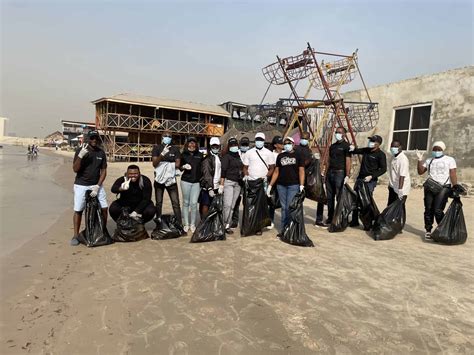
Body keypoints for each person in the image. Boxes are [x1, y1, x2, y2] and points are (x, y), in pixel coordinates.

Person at [71, 130, 108, 246]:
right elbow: (75, 169)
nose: (94, 140)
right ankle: (75, 235)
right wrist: (81, 156)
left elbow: (104, 171)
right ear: (88, 139)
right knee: (78, 209)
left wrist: (98, 185)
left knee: (104, 207)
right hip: (81, 184)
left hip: (96, 184)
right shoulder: (80, 151)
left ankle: (102, 231)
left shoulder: (101, 153)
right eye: (92, 138)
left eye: (96, 138)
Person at [417, 141, 458, 240]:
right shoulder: (429, 160)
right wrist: (419, 160)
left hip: (444, 187)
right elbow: (420, 172)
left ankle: (443, 229)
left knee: (438, 210)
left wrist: (455, 186)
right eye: (434, 149)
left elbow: (452, 173)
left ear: (443, 150)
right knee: (428, 209)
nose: (436, 151)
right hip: (430, 187)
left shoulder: (449, 160)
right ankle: (428, 230)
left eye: (439, 149)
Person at [268, 137, 305, 235]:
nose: (287, 145)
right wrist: (270, 185)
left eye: (289, 143)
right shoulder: (280, 156)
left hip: (293, 184)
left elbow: (301, 171)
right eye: (285, 143)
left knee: (289, 207)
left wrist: (301, 185)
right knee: (284, 208)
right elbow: (276, 171)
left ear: (293, 144)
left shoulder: (298, 155)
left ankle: (290, 228)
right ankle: (283, 229)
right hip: (281, 185)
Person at [316, 127, 352, 226]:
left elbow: (348, 161)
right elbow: (328, 160)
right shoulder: (333, 146)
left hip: (340, 173)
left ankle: (338, 218)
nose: (337, 134)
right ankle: (330, 217)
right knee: (330, 197)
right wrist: (325, 171)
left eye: (339, 132)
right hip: (330, 173)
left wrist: (347, 175)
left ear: (344, 134)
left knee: (339, 196)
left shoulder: (346, 146)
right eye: (336, 132)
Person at [349, 135, 387, 227]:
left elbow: (383, 169)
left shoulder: (380, 155)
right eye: (370, 140)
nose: (370, 142)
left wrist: (372, 176)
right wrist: (352, 148)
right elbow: (357, 150)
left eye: (372, 141)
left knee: (366, 201)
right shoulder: (366, 150)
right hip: (360, 179)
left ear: (378, 144)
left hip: (370, 181)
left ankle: (367, 222)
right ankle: (354, 221)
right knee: (356, 199)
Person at [241, 132, 275, 233]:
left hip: (262, 182)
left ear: (263, 141)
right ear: (255, 140)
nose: (259, 142)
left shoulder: (269, 153)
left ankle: (258, 227)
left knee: (261, 205)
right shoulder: (249, 152)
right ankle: (249, 224)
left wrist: (266, 176)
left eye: (261, 140)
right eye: (257, 140)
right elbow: (245, 167)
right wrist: (246, 175)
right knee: (249, 204)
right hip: (251, 182)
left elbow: (272, 168)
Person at [152, 132, 182, 226]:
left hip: (171, 179)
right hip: (159, 179)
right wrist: (162, 155)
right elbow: (154, 164)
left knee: (175, 202)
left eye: (169, 136)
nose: (167, 137)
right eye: (165, 136)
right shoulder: (157, 148)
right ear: (162, 137)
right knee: (159, 202)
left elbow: (178, 164)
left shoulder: (175, 149)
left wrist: (163, 164)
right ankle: (158, 222)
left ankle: (179, 223)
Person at [179, 137, 203, 233]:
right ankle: (186, 224)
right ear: (187, 144)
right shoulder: (183, 155)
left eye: (194, 143)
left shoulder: (200, 155)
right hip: (186, 181)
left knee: (193, 204)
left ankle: (192, 224)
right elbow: (179, 167)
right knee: (186, 203)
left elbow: (202, 167)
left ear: (196, 145)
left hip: (196, 182)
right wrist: (183, 166)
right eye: (190, 143)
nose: (192, 145)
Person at [219, 137, 243, 234]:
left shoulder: (238, 156)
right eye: (232, 145)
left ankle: (227, 225)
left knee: (233, 206)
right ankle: (223, 224)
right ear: (229, 146)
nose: (234, 147)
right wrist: (221, 184)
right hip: (228, 182)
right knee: (227, 205)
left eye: (235, 145)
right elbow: (223, 171)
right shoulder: (226, 157)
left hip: (237, 183)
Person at [230, 136, 251, 228]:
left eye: (246, 144)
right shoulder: (236, 153)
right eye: (243, 144)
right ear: (240, 145)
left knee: (247, 202)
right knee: (236, 201)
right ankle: (234, 220)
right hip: (237, 180)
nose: (244, 146)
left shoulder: (251, 153)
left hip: (247, 180)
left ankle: (247, 220)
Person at [199, 137, 221, 218]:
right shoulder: (207, 159)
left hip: (217, 186)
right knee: (205, 204)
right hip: (209, 186)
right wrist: (209, 188)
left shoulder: (219, 157)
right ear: (210, 147)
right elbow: (206, 174)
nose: (215, 148)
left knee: (214, 205)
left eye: (217, 146)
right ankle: (204, 222)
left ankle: (210, 223)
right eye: (213, 146)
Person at [268, 135, 283, 225]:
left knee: (284, 201)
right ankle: (270, 220)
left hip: (283, 179)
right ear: (275, 145)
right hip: (273, 180)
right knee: (272, 201)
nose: (282, 145)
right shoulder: (271, 154)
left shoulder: (285, 153)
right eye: (280, 143)